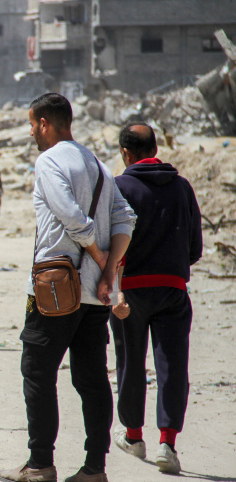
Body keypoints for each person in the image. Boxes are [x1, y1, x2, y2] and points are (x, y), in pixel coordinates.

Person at [0, 93, 136, 482]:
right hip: (94, 295)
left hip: (55, 289)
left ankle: (40, 464)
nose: (30, 133)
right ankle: (95, 467)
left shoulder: (49, 161)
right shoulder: (97, 163)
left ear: (44, 123)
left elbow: (73, 220)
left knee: (37, 371)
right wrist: (108, 274)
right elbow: (126, 218)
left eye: (31, 125)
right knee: (91, 379)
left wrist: (101, 259)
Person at [109, 123, 202, 475]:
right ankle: (167, 443)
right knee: (172, 366)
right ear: (155, 148)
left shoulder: (120, 187)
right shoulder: (181, 187)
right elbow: (195, 248)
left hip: (129, 290)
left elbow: (111, 244)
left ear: (125, 154)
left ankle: (134, 436)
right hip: (174, 289)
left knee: (130, 360)